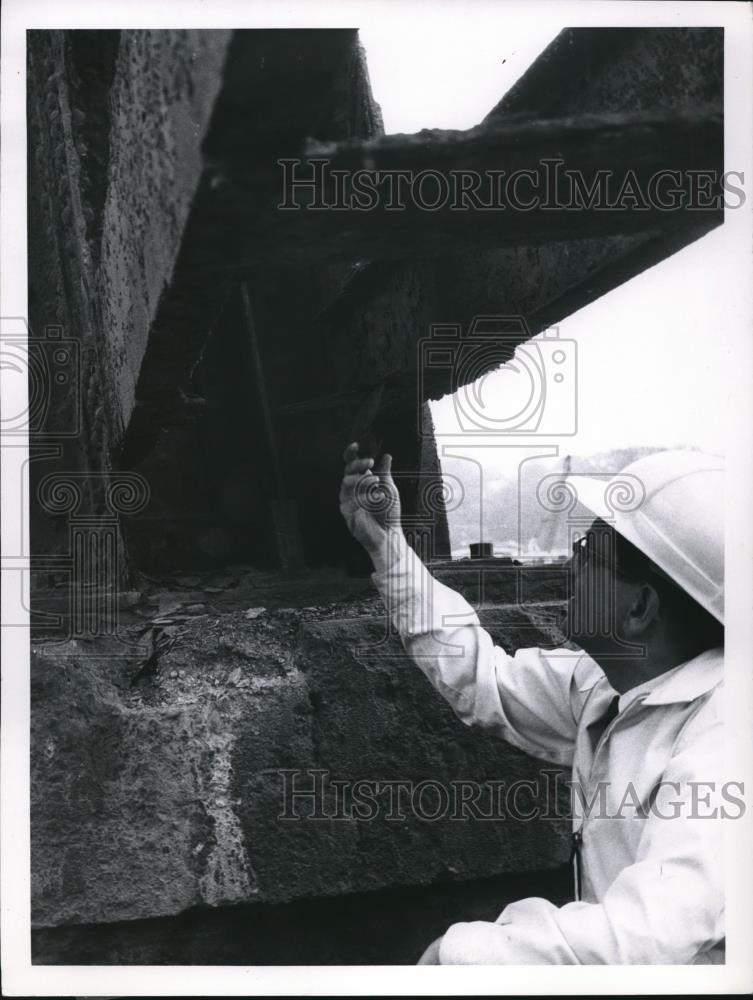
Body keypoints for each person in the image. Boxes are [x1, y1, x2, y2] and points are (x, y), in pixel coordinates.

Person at [339, 442, 728, 964]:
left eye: (590, 552)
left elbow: (643, 936)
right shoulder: (613, 686)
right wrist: (389, 548)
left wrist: (456, 956)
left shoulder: (723, 741)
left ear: (640, 607)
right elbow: (486, 678)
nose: (571, 565)